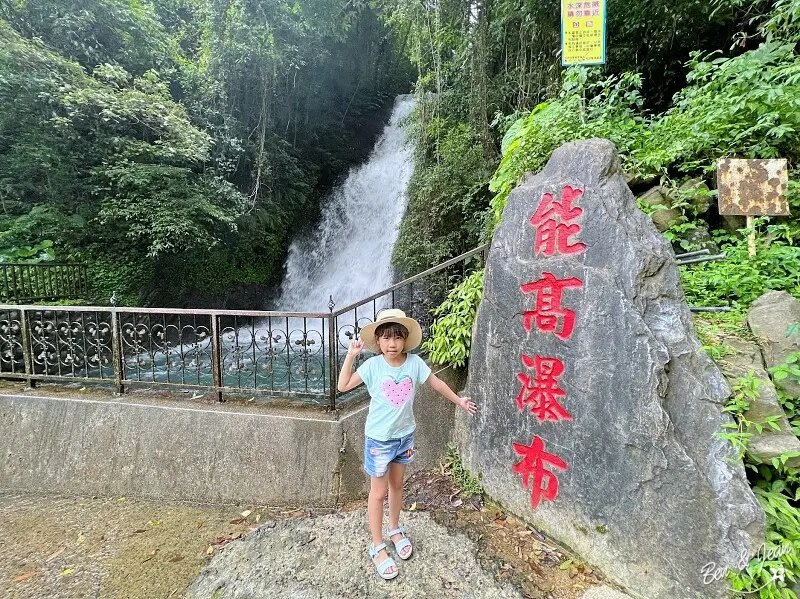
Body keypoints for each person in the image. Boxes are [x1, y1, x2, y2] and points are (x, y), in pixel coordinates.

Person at [337, 308, 478, 580]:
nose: (392, 344)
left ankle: (394, 528)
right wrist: (351, 356)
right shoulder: (372, 366)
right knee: (378, 493)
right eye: (387, 338)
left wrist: (459, 401)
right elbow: (343, 386)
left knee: (398, 486)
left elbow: (436, 384)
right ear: (377, 341)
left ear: (406, 340)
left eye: (398, 338)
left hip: (404, 437)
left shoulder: (414, 363)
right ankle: (377, 545)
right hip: (379, 440)